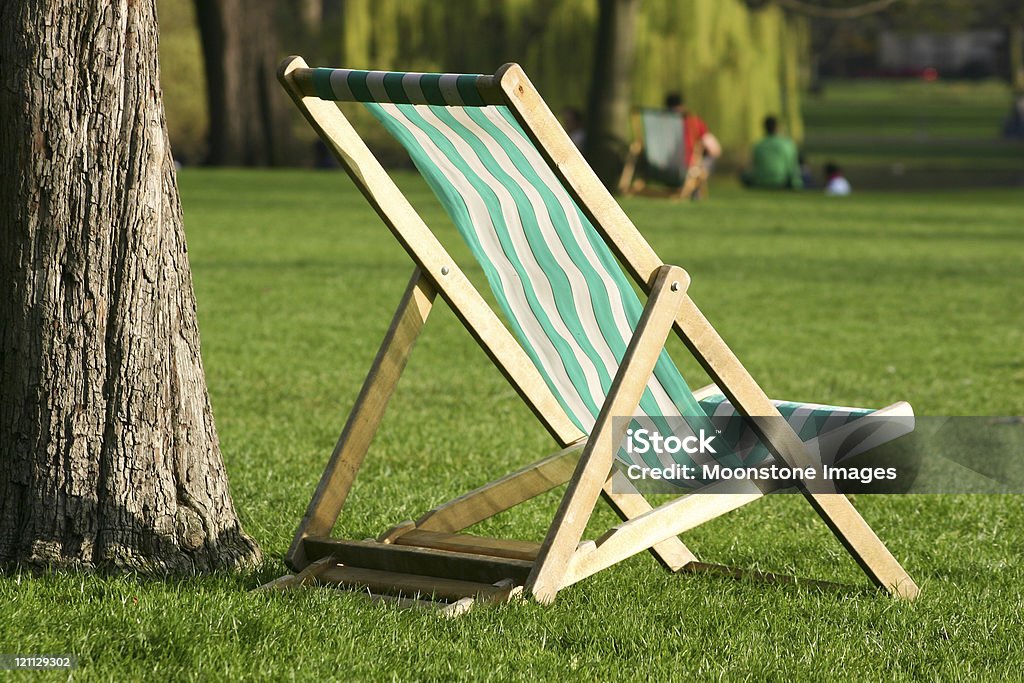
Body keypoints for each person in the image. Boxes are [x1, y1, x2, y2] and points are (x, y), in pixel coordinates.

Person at [664, 93, 721, 199]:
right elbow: (715, 149)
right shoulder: (693, 121)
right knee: (709, 158)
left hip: (661, 166)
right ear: (682, 106)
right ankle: (695, 191)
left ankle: (691, 187)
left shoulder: (658, 123)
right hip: (686, 168)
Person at [741, 115, 803, 190]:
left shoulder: (758, 145)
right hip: (782, 183)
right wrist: (797, 184)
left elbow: (754, 166)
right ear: (778, 127)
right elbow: (792, 167)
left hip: (761, 182)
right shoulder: (788, 144)